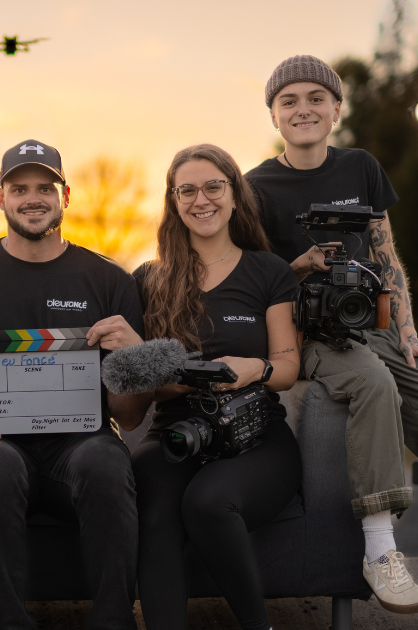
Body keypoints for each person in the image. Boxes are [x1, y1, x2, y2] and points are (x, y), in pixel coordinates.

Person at [246, 55, 418, 630]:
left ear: (337, 109)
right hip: (307, 332)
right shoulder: (254, 187)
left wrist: (410, 333)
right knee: (367, 380)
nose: (303, 109)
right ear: (273, 114)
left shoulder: (361, 167)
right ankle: (380, 550)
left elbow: (387, 257)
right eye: (288, 100)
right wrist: (300, 266)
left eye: (316, 98)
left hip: (377, 325)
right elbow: (254, 283)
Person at [0, 140, 149, 630]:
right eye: (19, 188)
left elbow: (130, 417)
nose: (33, 197)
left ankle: (114, 620)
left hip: (82, 440)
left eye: (45, 187)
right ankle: (7, 621)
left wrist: (132, 356)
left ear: (65, 196)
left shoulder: (108, 279)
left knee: (106, 460)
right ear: (0, 197)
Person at [127, 144, 302, 630]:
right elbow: (140, 398)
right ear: (173, 201)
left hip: (256, 436)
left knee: (206, 502)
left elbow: (288, 366)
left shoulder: (268, 270)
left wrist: (253, 369)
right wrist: (178, 378)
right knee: (153, 505)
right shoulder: (149, 279)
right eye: (187, 190)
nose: (200, 200)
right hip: (175, 434)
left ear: (233, 193)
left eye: (213, 187)